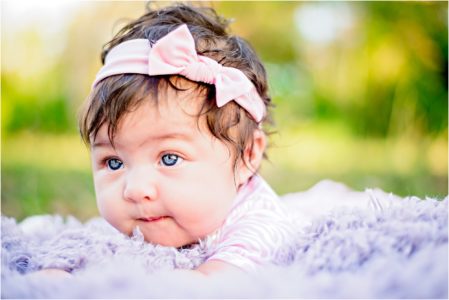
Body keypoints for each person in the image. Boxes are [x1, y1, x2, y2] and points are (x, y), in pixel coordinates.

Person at [78, 3, 297, 275]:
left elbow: (207, 286)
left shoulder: (261, 228)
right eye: (113, 162)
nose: (134, 189)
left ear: (246, 156)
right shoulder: (138, 219)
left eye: (169, 158)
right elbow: (86, 248)